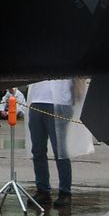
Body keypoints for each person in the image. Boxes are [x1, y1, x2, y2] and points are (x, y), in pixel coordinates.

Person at [24, 75, 74, 209]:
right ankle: (42, 190)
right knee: (37, 150)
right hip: (37, 101)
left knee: (60, 151)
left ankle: (65, 191)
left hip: (60, 101)